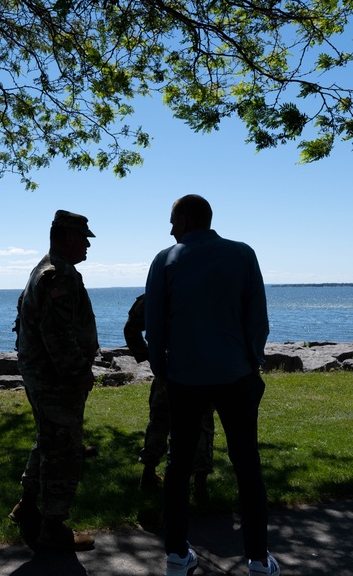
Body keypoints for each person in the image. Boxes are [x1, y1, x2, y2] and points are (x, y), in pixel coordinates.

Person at [145, 195, 279, 576]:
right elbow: (257, 318)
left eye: (173, 222)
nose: (171, 230)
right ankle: (257, 559)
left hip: (185, 379)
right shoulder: (243, 255)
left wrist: (162, 369)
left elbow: (154, 327)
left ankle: (176, 554)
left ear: (185, 220)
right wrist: (253, 361)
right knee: (247, 464)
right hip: (236, 375)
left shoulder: (165, 260)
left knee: (178, 464)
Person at [8, 210, 98, 552]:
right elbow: (57, 333)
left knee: (48, 439)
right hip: (57, 380)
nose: (88, 244)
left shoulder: (44, 270)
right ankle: (53, 529)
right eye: (84, 237)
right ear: (69, 237)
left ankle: (27, 506)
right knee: (64, 451)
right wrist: (78, 374)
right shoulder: (58, 275)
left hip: (42, 376)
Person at [124, 293, 215, 498]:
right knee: (201, 425)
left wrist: (149, 357)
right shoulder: (205, 292)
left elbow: (131, 328)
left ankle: (149, 473)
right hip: (201, 370)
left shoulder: (156, 295)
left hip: (169, 369)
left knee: (159, 422)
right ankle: (200, 484)